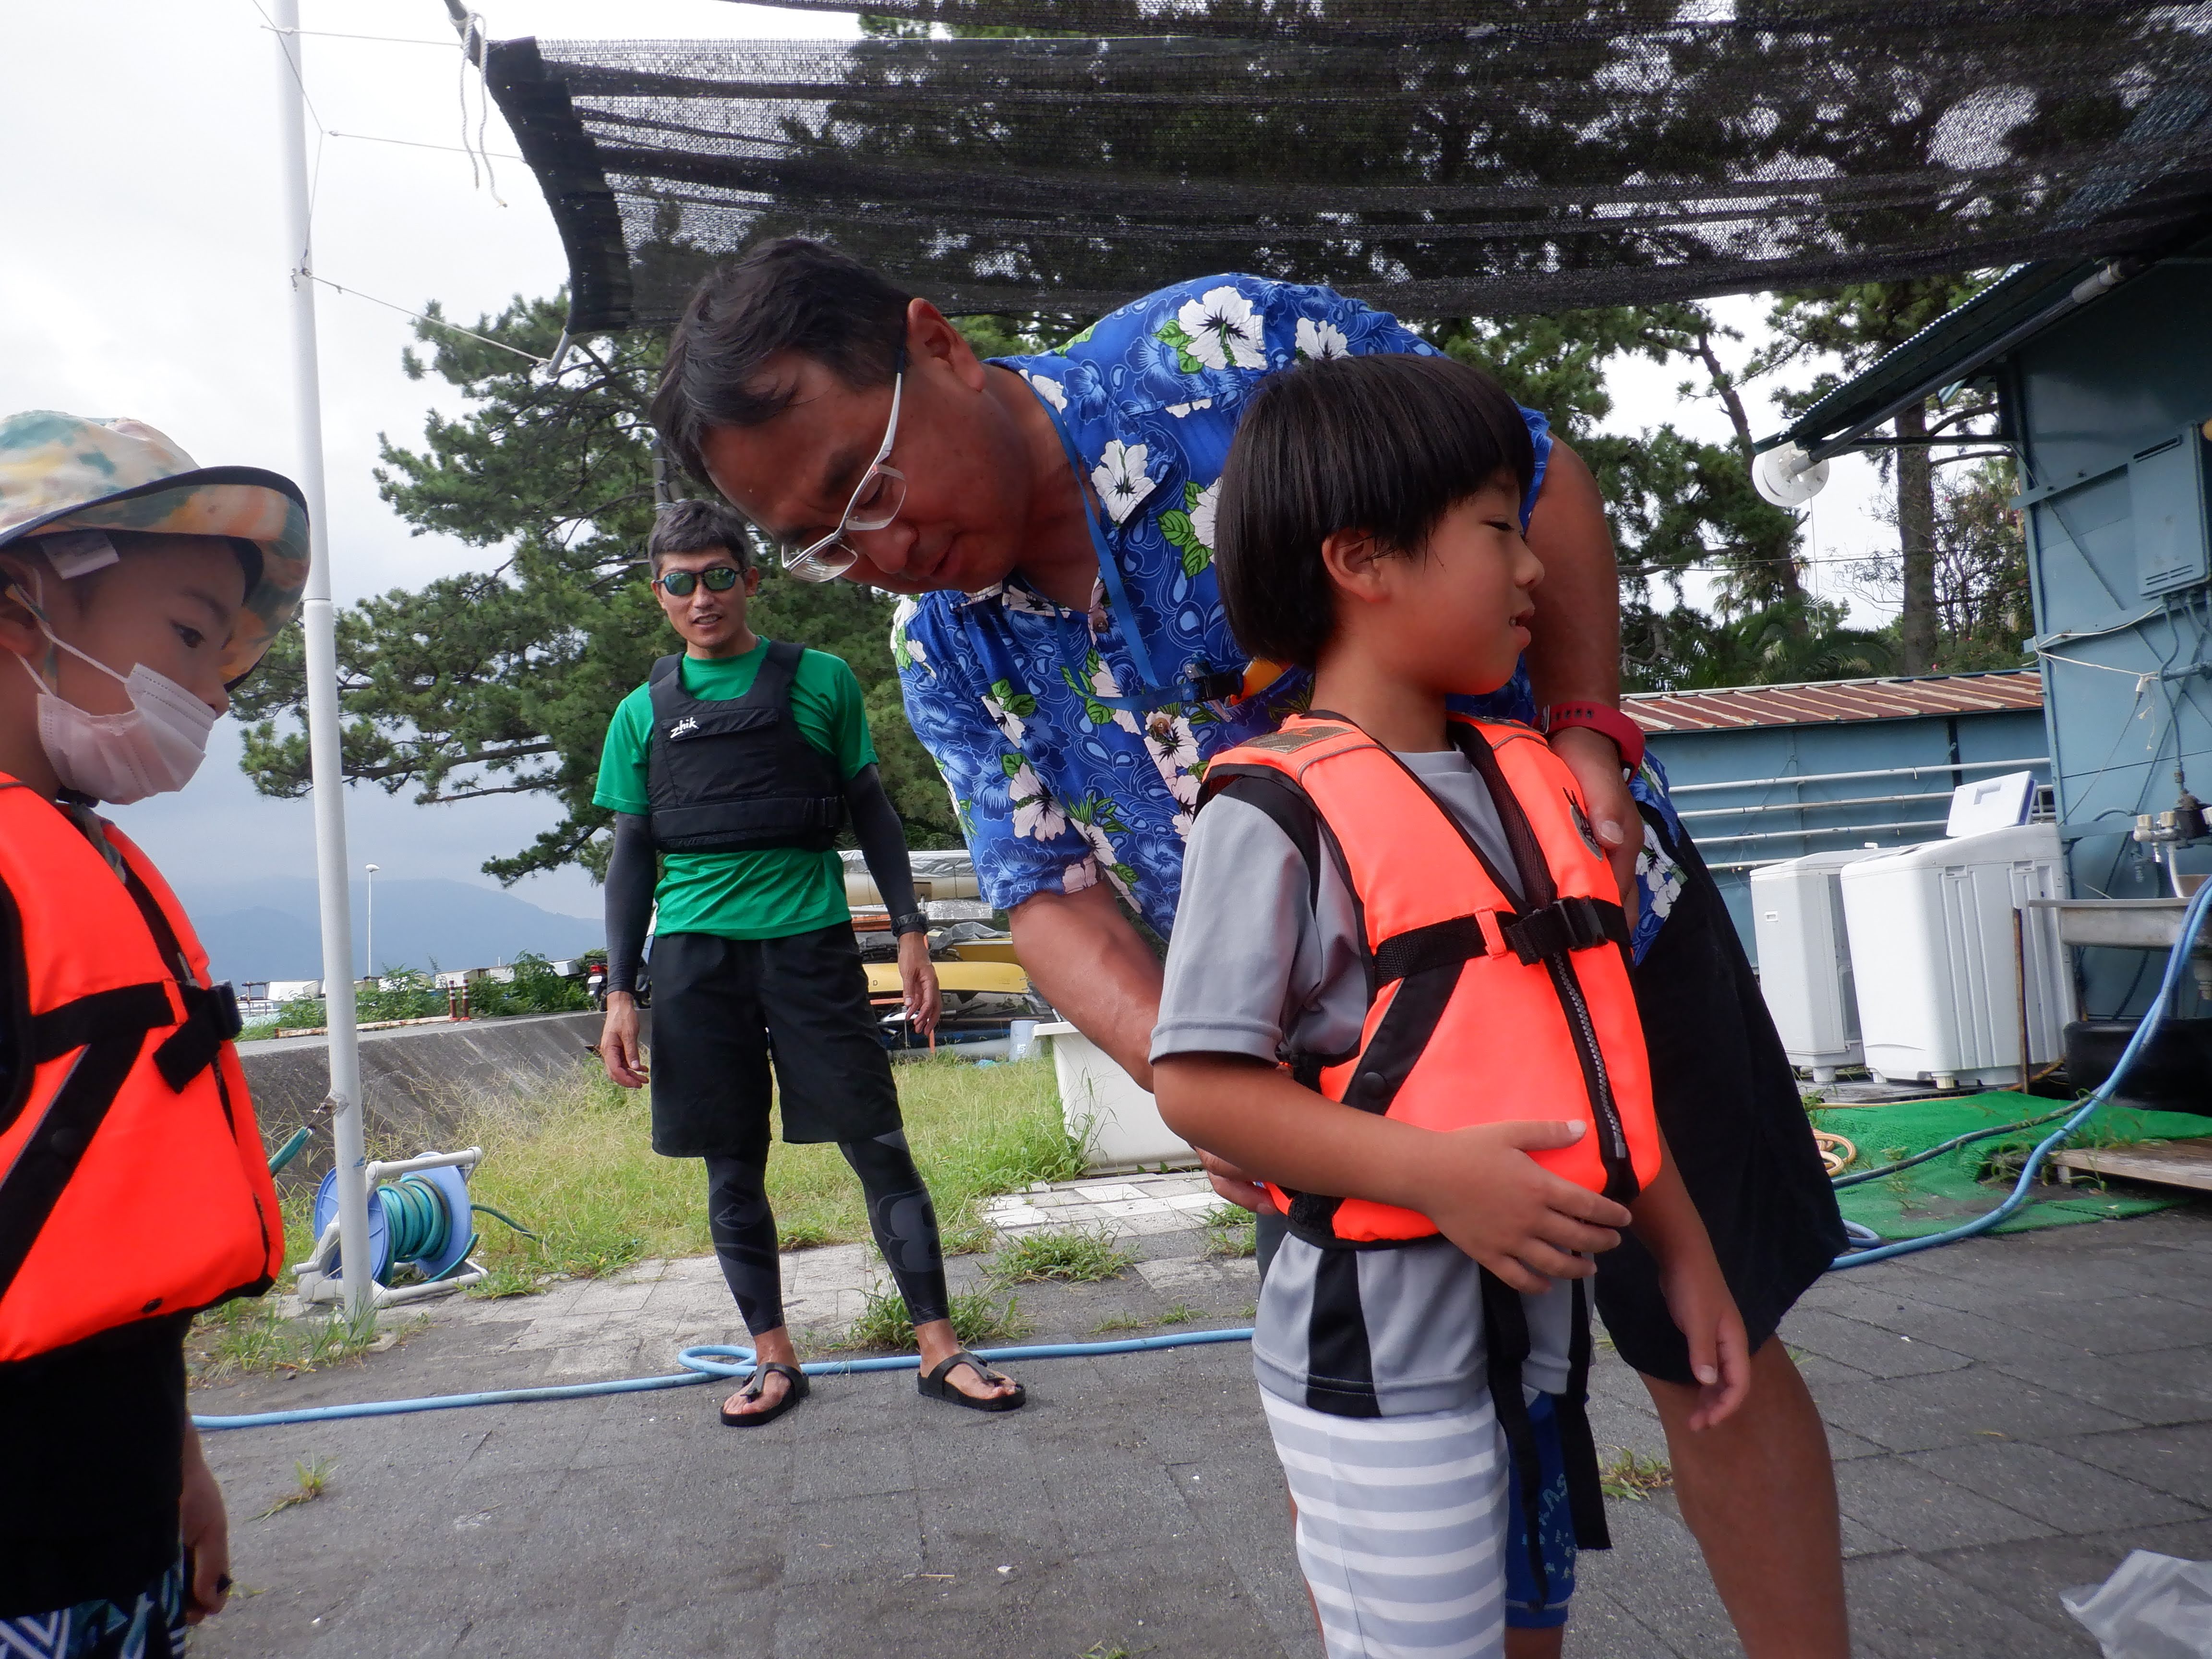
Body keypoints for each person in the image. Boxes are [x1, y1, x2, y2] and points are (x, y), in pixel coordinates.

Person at [650, 240, 1850, 1654]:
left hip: (1592, 944)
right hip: (1332, 1080)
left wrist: (1587, 724)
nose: (884, 550)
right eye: (825, 544)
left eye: (868, 483)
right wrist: (1207, 1079)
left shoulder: (1220, 352)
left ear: (940, 346)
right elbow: (1046, 893)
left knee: (1712, 1354)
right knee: (1399, 1443)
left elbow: (1532, 481)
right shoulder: (943, 650)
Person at [1151, 349, 1752, 1659]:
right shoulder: (1272, 809)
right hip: (1380, 1376)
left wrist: (1686, 1250)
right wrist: (1435, 1176)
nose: (1534, 567)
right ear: (1362, 561)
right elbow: (1198, 1085)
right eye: (1496, 529)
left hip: (1534, 1356)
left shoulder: (1532, 780)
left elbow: (1588, 1051)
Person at [594, 498, 1021, 1421]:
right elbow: (631, 857)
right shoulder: (640, 713)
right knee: (731, 1162)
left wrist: (910, 930)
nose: (701, 598)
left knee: (878, 1142)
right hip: (696, 961)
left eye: (718, 577)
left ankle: (939, 1348)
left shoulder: (821, 680)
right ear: (658, 593)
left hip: (810, 947)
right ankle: (773, 1358)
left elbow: (871, 810)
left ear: (749, 579)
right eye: (680, 583)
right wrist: (620, 993)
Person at [0, 411, 307, 1655]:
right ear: (21, 607)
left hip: (119, 1525)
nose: (214, 692)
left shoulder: (79, 855)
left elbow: (102, 1266)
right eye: (188, 635)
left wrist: (183, 1469)